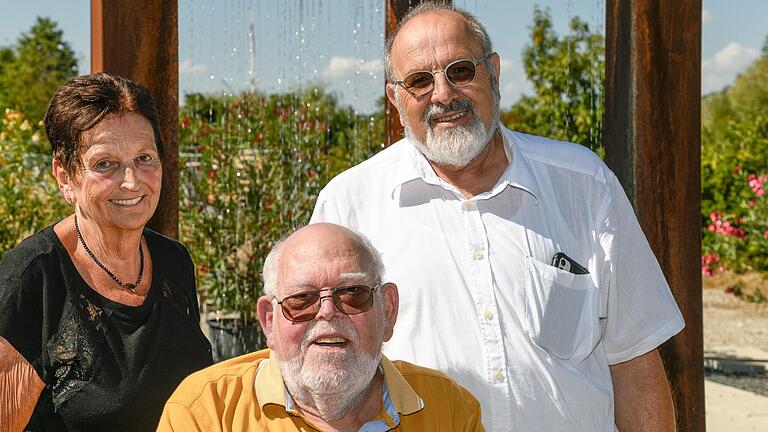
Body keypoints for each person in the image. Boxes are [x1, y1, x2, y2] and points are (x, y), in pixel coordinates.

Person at [310, 3, 685, 431]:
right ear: (395, 98)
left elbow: (635, 359)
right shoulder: (350, 205)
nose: (444, 95)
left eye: (461, 71)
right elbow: (328, 368)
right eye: (419, 81)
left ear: (493, 71)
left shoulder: (584, 184)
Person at [0, 73, 213, 432]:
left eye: (145, 157)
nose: (132, 181)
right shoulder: (32, 279)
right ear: (65, 176)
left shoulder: (174, 262)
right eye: (104, 164)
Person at [157, 223, 484, 431]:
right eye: (302, 299)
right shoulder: (207, 412)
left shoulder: (449, 410)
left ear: (388, 310)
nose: (327, 312)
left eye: (353, 294)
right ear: (269, 321)